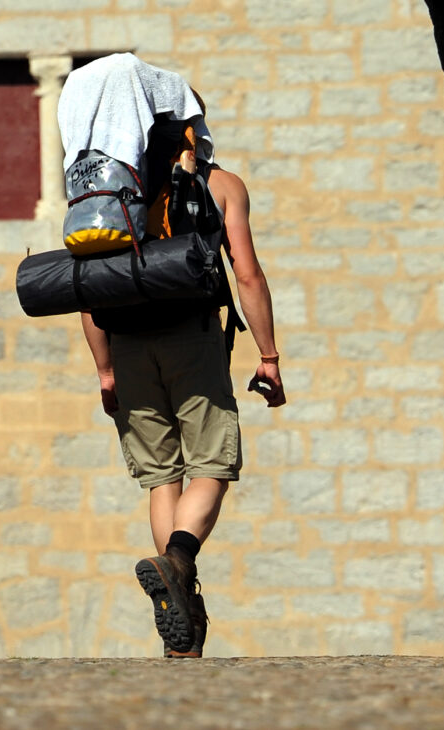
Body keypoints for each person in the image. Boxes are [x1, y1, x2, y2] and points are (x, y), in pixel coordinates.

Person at [62, 53, 284, 660]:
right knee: (213, 462)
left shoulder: (106, 197)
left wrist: (104, 369)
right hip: (193, 337)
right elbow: (249, 274)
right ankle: (179, 563)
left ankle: (179, 595)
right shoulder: (220, 185)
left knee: (163, 476)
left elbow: (90, 295)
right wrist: (268, 355)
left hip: (128, 341)